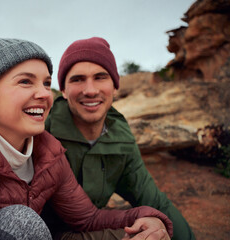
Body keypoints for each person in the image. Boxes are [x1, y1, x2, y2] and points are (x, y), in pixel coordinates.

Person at [0, 29, 173, 240]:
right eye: (25, 81)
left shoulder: (48, 152)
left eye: (46, 82)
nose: (44, 93)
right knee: (21, 221)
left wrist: (144, 216)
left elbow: (87, 218)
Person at [42, 37, 196, 240]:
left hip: (90, 226)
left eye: (100, 77)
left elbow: (154, 201)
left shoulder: (121, 140)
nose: (90, 90)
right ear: (63, 89)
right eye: (77, 79)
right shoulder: (41, 131)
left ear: (115, 86)